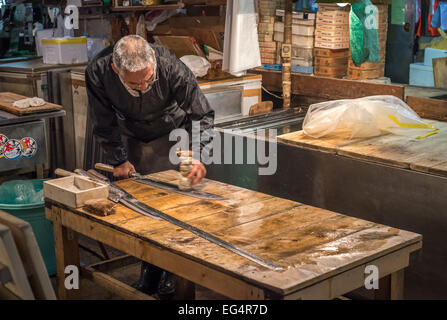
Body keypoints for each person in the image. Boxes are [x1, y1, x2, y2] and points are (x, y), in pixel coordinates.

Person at [85, 35, 214, 298]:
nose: (144, 86)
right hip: (133, 134)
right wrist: (118, 159)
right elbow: (103, 120)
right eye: (134, 83)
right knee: (144, 209)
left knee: (177, 206)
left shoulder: (171, 66)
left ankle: (172, 274)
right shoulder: (98, 71)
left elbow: (201, 114)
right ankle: (150, 272)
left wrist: (197, 155)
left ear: (153, 59)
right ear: (115, 70)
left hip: (174, 133)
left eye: (148, 78)